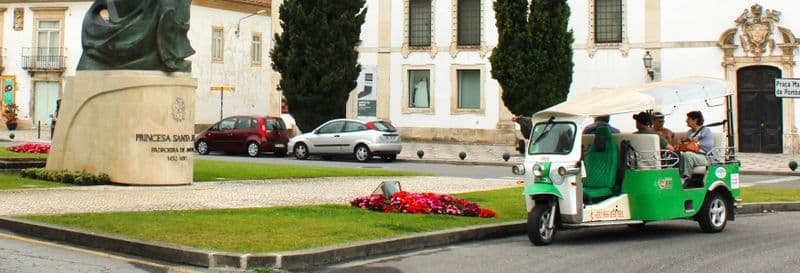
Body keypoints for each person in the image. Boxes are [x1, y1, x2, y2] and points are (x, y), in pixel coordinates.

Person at [679, 111, 713, 180]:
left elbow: (709, 145)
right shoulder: (690, 132)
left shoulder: (706, 130)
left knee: (688, 155)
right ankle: (678, 175)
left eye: (688, 119)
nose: (686, 121)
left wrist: (697, 143)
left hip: (704, 157)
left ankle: (686, 177)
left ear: (695, 120)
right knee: (680, 154)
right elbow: (689, 145)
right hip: (693, 154)